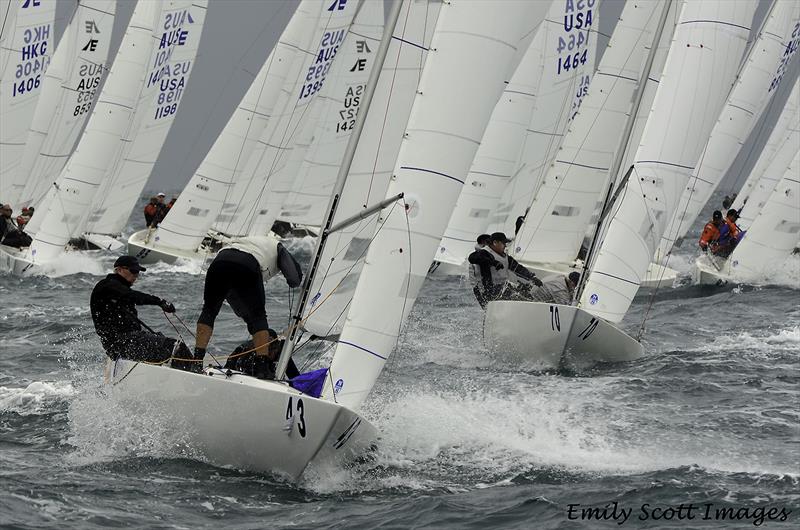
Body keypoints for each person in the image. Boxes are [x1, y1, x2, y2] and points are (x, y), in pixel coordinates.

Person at [195, 234, 303, 366]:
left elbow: (238, 303)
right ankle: (262, 367)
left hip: (219, 263)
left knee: (209, 311)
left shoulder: (247, 242)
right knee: (259, 317)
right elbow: (294, 278)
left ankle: (196, 360)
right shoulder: (277, 246)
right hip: (247, 264)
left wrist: (251, 324)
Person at [90, 256, 196, 369]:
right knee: (178, 348)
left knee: (166, 344)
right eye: (133, 271)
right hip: (122, 344)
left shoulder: (118, 289)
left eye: (138, 272)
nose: (136, 275)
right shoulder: (107, 285)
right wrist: (159, 302)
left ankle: (184, 374)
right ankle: (196, 375)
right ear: (119, 270)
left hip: (128, 343)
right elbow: (132, 296)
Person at [468, 232, 542, 307]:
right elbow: (472, 258)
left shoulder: (505, 257)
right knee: (514, 295)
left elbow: (518, 268)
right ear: (495, 243)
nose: (505, 245)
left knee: (524, 293)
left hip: (500, 288)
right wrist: (494, 263)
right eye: (503, 243)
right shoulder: (483, 253)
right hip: (486, 292)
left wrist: (532, 277)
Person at [224, 328, 301, 380]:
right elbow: (228, 365)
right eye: (272, 349)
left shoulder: (280, 352)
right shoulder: (246, 349)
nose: (273, 352)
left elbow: (295, 377)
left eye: (275, 348)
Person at [468, 234, 492, 308]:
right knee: (487, 308)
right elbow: (473, 281)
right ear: (483, 242)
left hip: (490, 287)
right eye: (488, 242)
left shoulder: (491, 253)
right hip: (483, 289)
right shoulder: (475, 257)